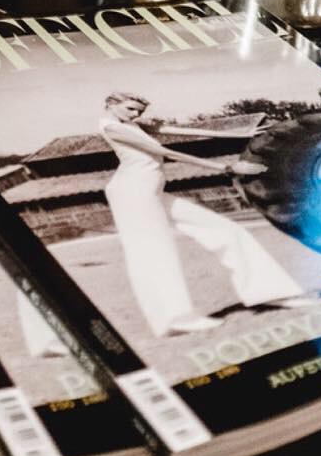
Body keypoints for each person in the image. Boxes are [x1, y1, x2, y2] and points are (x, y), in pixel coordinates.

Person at [98, 92, 307, 336]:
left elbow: (177, 130)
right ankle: (176, 319)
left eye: (139, 111)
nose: (135, 114)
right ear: (111, 104)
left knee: (226, 230)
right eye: (131, 109)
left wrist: (241, 134)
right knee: (155, 252)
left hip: (152, 192)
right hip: (132, 193)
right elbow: (166, 152)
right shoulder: (112, 127)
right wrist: (227, 167)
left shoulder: (129, 123)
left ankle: (272, 292)